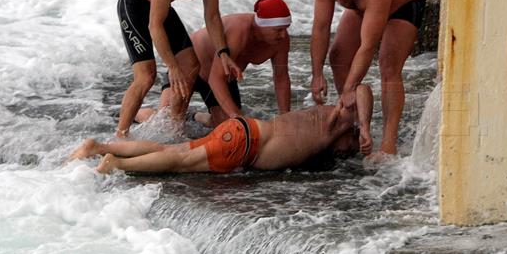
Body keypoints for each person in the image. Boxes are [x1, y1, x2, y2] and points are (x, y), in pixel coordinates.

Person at [69, 85, 373, 174]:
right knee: (177, 162)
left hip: (242, 132)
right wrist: (367, 131)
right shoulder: (335, 121)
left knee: (170, 151)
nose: (350, 150)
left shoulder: (318, 121)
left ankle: (98, 147)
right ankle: (117, 163)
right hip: (244, 145)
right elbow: (364, 88)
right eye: (351, 144)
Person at [115, 0, 243, 138]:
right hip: (135, 3)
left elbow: (212, 16)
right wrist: (172, 67)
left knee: (191, 66)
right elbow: (154, 25)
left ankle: (173, 129)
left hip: (160, 5)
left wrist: (223, 53)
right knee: (146, 76)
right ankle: (120, 135)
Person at [310, 0, 425, 157]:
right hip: (364, 5)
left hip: (405, 2)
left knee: (388, 64)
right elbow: (320, 28)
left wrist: (350, 87)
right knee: (338, 55)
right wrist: (317, 74)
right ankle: (356, 126)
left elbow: (367, 46)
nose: (342, 3)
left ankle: (388, 143)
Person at [140, 0, 292, 128]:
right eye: (278, 30)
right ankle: (135, 114)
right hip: (189, 68)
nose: (283, 35)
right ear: (261, 25)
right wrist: (237, 116)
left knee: (225, 124)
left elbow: (281, 77)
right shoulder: (239, 30)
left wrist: (285, 116)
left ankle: (193, 116)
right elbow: (215, 78)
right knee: (166, 123)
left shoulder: (281, 41)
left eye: (286, 28)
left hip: (221, 76)